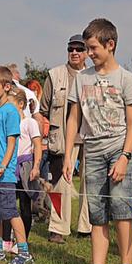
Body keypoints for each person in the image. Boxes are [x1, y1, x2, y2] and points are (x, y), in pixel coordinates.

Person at [63, 18, 132, 264]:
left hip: (118, 148)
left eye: (93, 48)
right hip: (92, 150)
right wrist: (70, 153)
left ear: (111, 45)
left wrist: (125, 156)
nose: (88, 53)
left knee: (121, 208)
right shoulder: (82, 78)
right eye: (86, 48)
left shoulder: (126, 79)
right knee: (96, 212)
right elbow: (73, 118)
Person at [40, 34, 92, 244]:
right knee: (61, 184)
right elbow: (44, 108)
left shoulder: (94, 75)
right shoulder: (54, 75)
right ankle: (57, 228)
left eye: (80, 49)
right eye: (71, 49)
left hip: (90, 136)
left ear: (87, 52)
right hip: (62, 138)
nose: (75, 53)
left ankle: (86, 227)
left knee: (90, 183)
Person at [0, 67, 35, 264]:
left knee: (10, 212)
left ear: (6, 86)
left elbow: (11, 142)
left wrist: (3, 166)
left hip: (3, 173)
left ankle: (24, 252)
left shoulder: (10, 111)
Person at [11, 89, 42, 241]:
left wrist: (36, 166)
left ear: (21, 104)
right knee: (8, 204)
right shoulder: (8, 123)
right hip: (10, 166)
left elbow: (37, 145)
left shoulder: (30, 123)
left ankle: (24, 239)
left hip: (25, 166)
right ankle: (7, 239)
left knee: (24, 205)